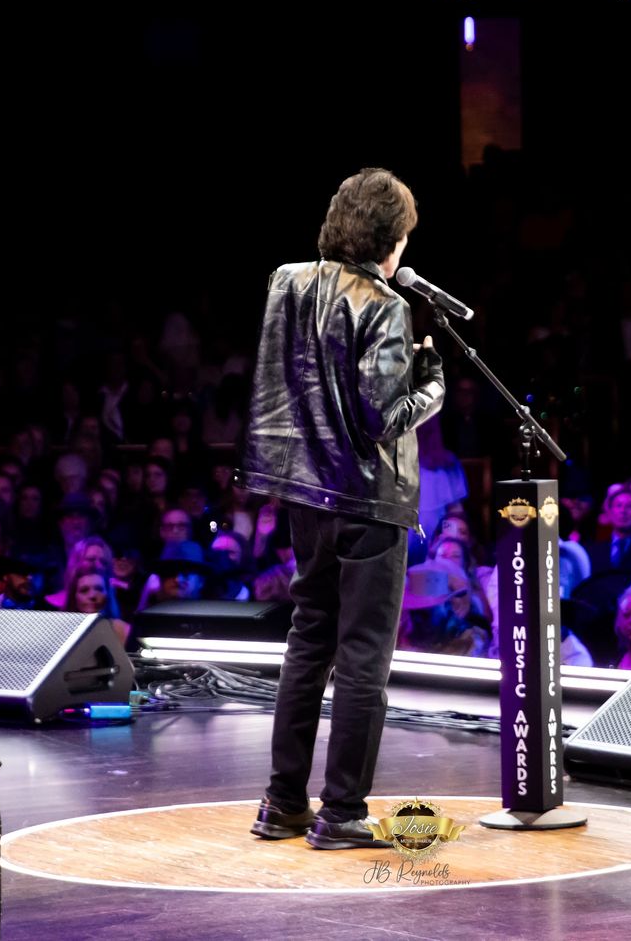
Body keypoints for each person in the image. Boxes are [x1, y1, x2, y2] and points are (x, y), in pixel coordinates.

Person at [242, 168, 444, 850]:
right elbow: (382, 416)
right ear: (389, 238)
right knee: (362, 659)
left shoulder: (286, 282)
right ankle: (343, 812)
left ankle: (282, 803)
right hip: (369, 502)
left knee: (308, 643)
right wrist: (432, 387)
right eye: (404, 238)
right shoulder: (385, 304)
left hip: (306, 493)